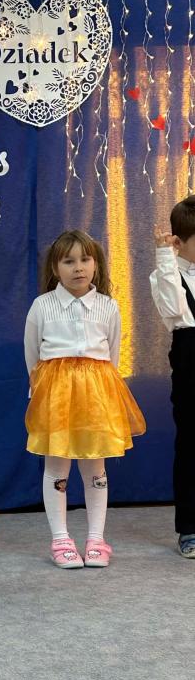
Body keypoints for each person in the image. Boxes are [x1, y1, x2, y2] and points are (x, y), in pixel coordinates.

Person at [24, 229, 146, 569]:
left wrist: (104, 394)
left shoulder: (108, 306)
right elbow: (32, 356)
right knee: (57, 466)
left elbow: (112, 357)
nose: (78, 267)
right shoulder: (42, 306)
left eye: (85, 259)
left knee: (95, 466)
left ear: (96, 264)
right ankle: (60, 539)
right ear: (55, 267)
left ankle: (96, 539)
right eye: (68, 261)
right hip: (56, 397)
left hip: (96, 397)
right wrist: (40, 394)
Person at [151, 197, 195, 556]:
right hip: (190, 365)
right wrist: (165, 258)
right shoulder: (166, 275)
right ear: (179, 242)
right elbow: (176, 311)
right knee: (191, 448)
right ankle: (190, 529)